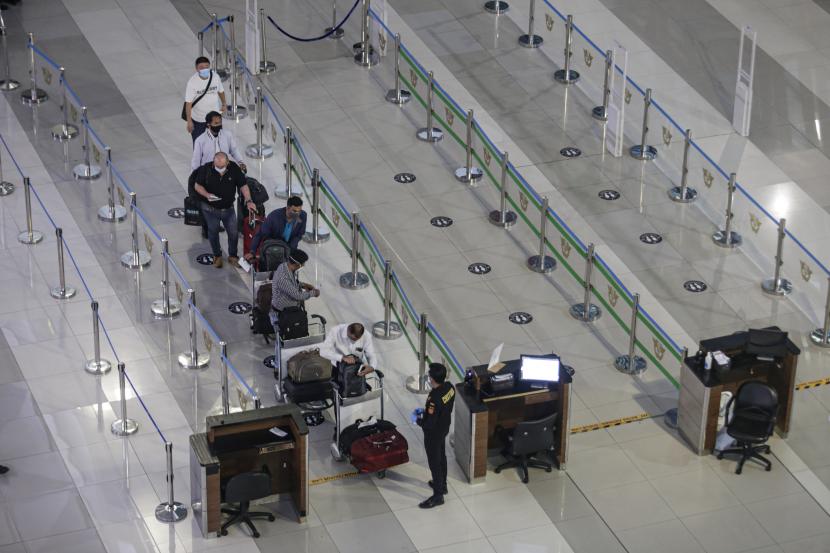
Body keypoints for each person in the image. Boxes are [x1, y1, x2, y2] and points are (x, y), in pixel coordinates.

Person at [193, 152, 255, 268]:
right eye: (217, 166)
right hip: (210, 209)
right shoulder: (206, 169)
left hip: (228, 209)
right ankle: (217, 255)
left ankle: (232, 256)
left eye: (222, 166)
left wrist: (249, 200)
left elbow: (243, 185)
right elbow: (197, 186)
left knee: (233, 233)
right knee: (213, 232)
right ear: (213, 161)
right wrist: (206, 195)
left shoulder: (234, 169)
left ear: (227, 162)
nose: (219, 168)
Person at [270, 249, 320, 372]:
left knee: (292, 336)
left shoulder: (286, 267)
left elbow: (294, 284)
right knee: (280, 340)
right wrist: (313, 293)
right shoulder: (283, 277)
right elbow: (297, 295)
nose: (303, 266)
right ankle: (278, 367)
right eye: (302, 264)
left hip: (290, 311)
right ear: (297, 264)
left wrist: (303, 285)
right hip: (281, 313)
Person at [416, 363, 455, 509]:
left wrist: (419, 420)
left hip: (433, 433)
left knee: (434, 462)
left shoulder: (434, 398)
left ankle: (438, 495)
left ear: (432, 379)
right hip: (444, 427)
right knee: (442, 456)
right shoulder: (450, 387)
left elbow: (429, 424)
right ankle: (442, 485)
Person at [245, 196, 307, 261]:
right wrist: (252, 251)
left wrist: (291, 249)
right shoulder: (274, 216)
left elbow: (299, 234)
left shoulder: (303, 215)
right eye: (294, 211)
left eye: (299, 211)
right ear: (288, 208)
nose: (297, 214)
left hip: (290, 249)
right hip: (273, 249)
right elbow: (260, 233)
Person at [184, 56, 226, 144]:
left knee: (216, 142)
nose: (205, 69)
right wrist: (189, 121)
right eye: (201, 67)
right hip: (198, 119)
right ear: (196, 69)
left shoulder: (215, 77)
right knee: (199, 143)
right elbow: (188, 104)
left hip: (214, 118)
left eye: (206, 66)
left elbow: (221, 91)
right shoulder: (192, 82)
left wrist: (224, 104)